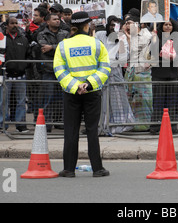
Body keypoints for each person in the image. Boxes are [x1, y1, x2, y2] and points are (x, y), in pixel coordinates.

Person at [53, 12, 111, 178]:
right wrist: (89, 83)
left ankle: (69, 169)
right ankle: (98, 169)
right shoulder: (97, 44)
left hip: (71, 93)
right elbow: (105, 67)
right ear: (87, 26)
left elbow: (59, 70)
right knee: (92, 130)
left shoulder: (63, 45)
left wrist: (75, 85)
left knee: (71, 131)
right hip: (92, 92)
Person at [95, 15, 135, 135]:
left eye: (116, 25)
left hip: (114, 72)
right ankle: (101, 125)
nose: (113, 28)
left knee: (117, 99)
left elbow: (123, 58)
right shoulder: (100, 34)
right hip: (100, 71)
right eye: (111, 25)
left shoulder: (121, 37)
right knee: (101, 100)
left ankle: (119, 125)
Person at [37, 13, 69, 132]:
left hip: (62, 70)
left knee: (63, 98)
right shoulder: (42, 34)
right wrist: (56, 48)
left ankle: (61, 122)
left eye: (58, 19)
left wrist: (52, 47)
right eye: (54, 19)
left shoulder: (65, 33)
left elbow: (67, 48)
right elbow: (43, 48)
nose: (58, 21)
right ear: (48, 22)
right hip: (48, 70)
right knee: (47, 98)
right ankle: (47, 124)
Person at [0, 16, 31, 132]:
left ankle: (20, 125)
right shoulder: (2, 39)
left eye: (16, 23)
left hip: (20, 75)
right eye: (12, 23)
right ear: (7, 25)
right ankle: (3, 125)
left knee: (21, 102)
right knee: (3, 102)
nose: (15, 25)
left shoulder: (23, 39)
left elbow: (29, 54)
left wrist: (24, 65)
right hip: (6, 75)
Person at [150, 19, 178, 134]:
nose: (168, 27)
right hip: (159, 73)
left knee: (172, 102)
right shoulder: (156, 37)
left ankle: (172, 126)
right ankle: (156, 126)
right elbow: (153, 53)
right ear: (161, 26)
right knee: (158, 101)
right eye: (165, 25)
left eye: (170, 25)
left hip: (172, 74)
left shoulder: (176, 38)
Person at [123, 16, 153, 131]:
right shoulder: (127, 37)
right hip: (131, 72)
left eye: (130, 23)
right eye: (126, 24)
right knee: (130, 99)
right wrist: (128, 38)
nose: (127, 26)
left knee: (144, 100)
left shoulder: (147, 36)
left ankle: (144, 125)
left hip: (143, 73)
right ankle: (131, 124)